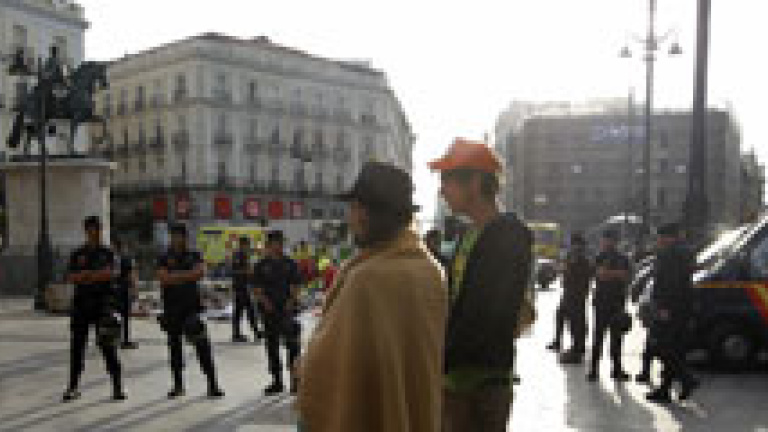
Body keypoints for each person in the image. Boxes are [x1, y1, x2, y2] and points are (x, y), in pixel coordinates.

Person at [297, 161, 447, 432]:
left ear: (367, 213)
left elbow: (328, 365)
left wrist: (303, 366)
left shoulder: (366, 279)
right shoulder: (431, 270)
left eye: (354, 207)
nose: (350, 218)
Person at [428, 138, 533, 432]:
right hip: (455, 379)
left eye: (447, 180)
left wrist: (438, 359)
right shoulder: (468, 234)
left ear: (474, 183)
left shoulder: (509, 236)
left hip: (482, 384)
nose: (442, 190)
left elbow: (488, 315)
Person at [156, 223, 224, 399]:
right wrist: (186, 275)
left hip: (191, 307)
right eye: (174, 236)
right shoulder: (164, 256)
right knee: (174, 347)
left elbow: (200, 273)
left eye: (180, 236)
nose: (177, 239)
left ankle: (212, 383)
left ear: (185, 237)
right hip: (171, 307)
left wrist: (175, 276)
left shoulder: (194, 254)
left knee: (202, 343)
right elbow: (163, 278)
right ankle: (178, 385)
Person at [63, 216, 125, 402]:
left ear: (100, 230)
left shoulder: (108, 253)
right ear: (85, 231)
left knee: (108, 346)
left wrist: (86, 275)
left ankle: (117, 386)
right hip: (81, 304)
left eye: (96, 229)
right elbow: (70, 276)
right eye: (90, 230)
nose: (93, 233)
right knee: (77, 347)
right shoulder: (78, 254)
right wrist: (94, 275)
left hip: (103, 304)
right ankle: (73, 387)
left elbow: (112, 273)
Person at [646, 222, 699, 403]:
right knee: (675, 347)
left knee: (662, 346)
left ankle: (686, 379)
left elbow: (669, 283)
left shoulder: (668, 254)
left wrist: (663, 307)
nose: (658, 241)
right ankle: (666, 389)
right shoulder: (687, 252)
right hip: (684, 306)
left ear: (667, 237)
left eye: (660, 237)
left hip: (669, 307)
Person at [253, 230, 303, 395]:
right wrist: (266, 303)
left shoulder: (290, 264)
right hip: (269, 312)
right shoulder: (261, 265)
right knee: (272, 347)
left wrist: (291, 301)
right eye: (276, 243)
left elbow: (296, 285)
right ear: (269, 245)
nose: (279, 246)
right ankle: (277, 381)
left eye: (281, 243)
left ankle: (295, 381)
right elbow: (257, 289)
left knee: (293, 345)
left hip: (287, 310)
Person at [588, 229, 632, 382]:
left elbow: (626, 276)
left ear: (615, 241)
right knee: (598, 337)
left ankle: (617, 369)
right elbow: (599, 274)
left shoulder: (623, 258)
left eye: (610, 240)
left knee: (617, 338)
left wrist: (610, 274)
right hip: (601, 302)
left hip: (617, 303)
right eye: (605, 239)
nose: (607, 242)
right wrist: (616, 274)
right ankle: (594, 369)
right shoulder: (599, 257)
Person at [557, 233, 594, 364]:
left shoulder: (582, 260)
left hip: (577, 296)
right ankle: (576, 347)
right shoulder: (572, 258)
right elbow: (565, 273)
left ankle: (577, 350)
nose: (574, 247)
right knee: (573, 322)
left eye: (576, 245)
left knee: (577, 323)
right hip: (571, 294)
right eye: (573, 244)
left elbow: (582, 277)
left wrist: (568, 268)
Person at [230, 236, 263, 343]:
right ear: (242, 245)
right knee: (247, 310)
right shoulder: (237, 255)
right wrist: (247, 271)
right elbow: (234, 271)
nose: (248, 247)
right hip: (240, 287)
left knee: (242, 310)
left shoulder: (245, 255)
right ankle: (254, 332)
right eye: (247, 245)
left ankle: (239, 333)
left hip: (244, 286)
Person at [112, 237, 139, 349]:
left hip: (113, 290)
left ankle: (112, 338)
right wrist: (134, 290)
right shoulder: (127, 258)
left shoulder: (109, 258)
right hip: (123, 290)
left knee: (113, 315)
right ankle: (125, 340)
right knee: (125, 317)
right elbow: (131, 275)